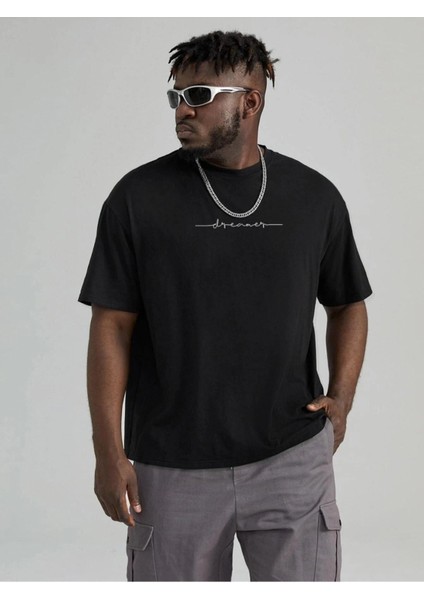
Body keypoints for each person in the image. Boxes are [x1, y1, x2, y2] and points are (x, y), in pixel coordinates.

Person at [78, 30, 372, 582]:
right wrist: (107, 452)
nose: (181, 110)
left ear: (250, 102)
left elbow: (348, 302)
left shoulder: (314, 197)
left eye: (198, 96)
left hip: (292, 459)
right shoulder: (137, 198)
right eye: (176, 96)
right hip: (173, 467)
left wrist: (343, 397)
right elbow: (111, 327)